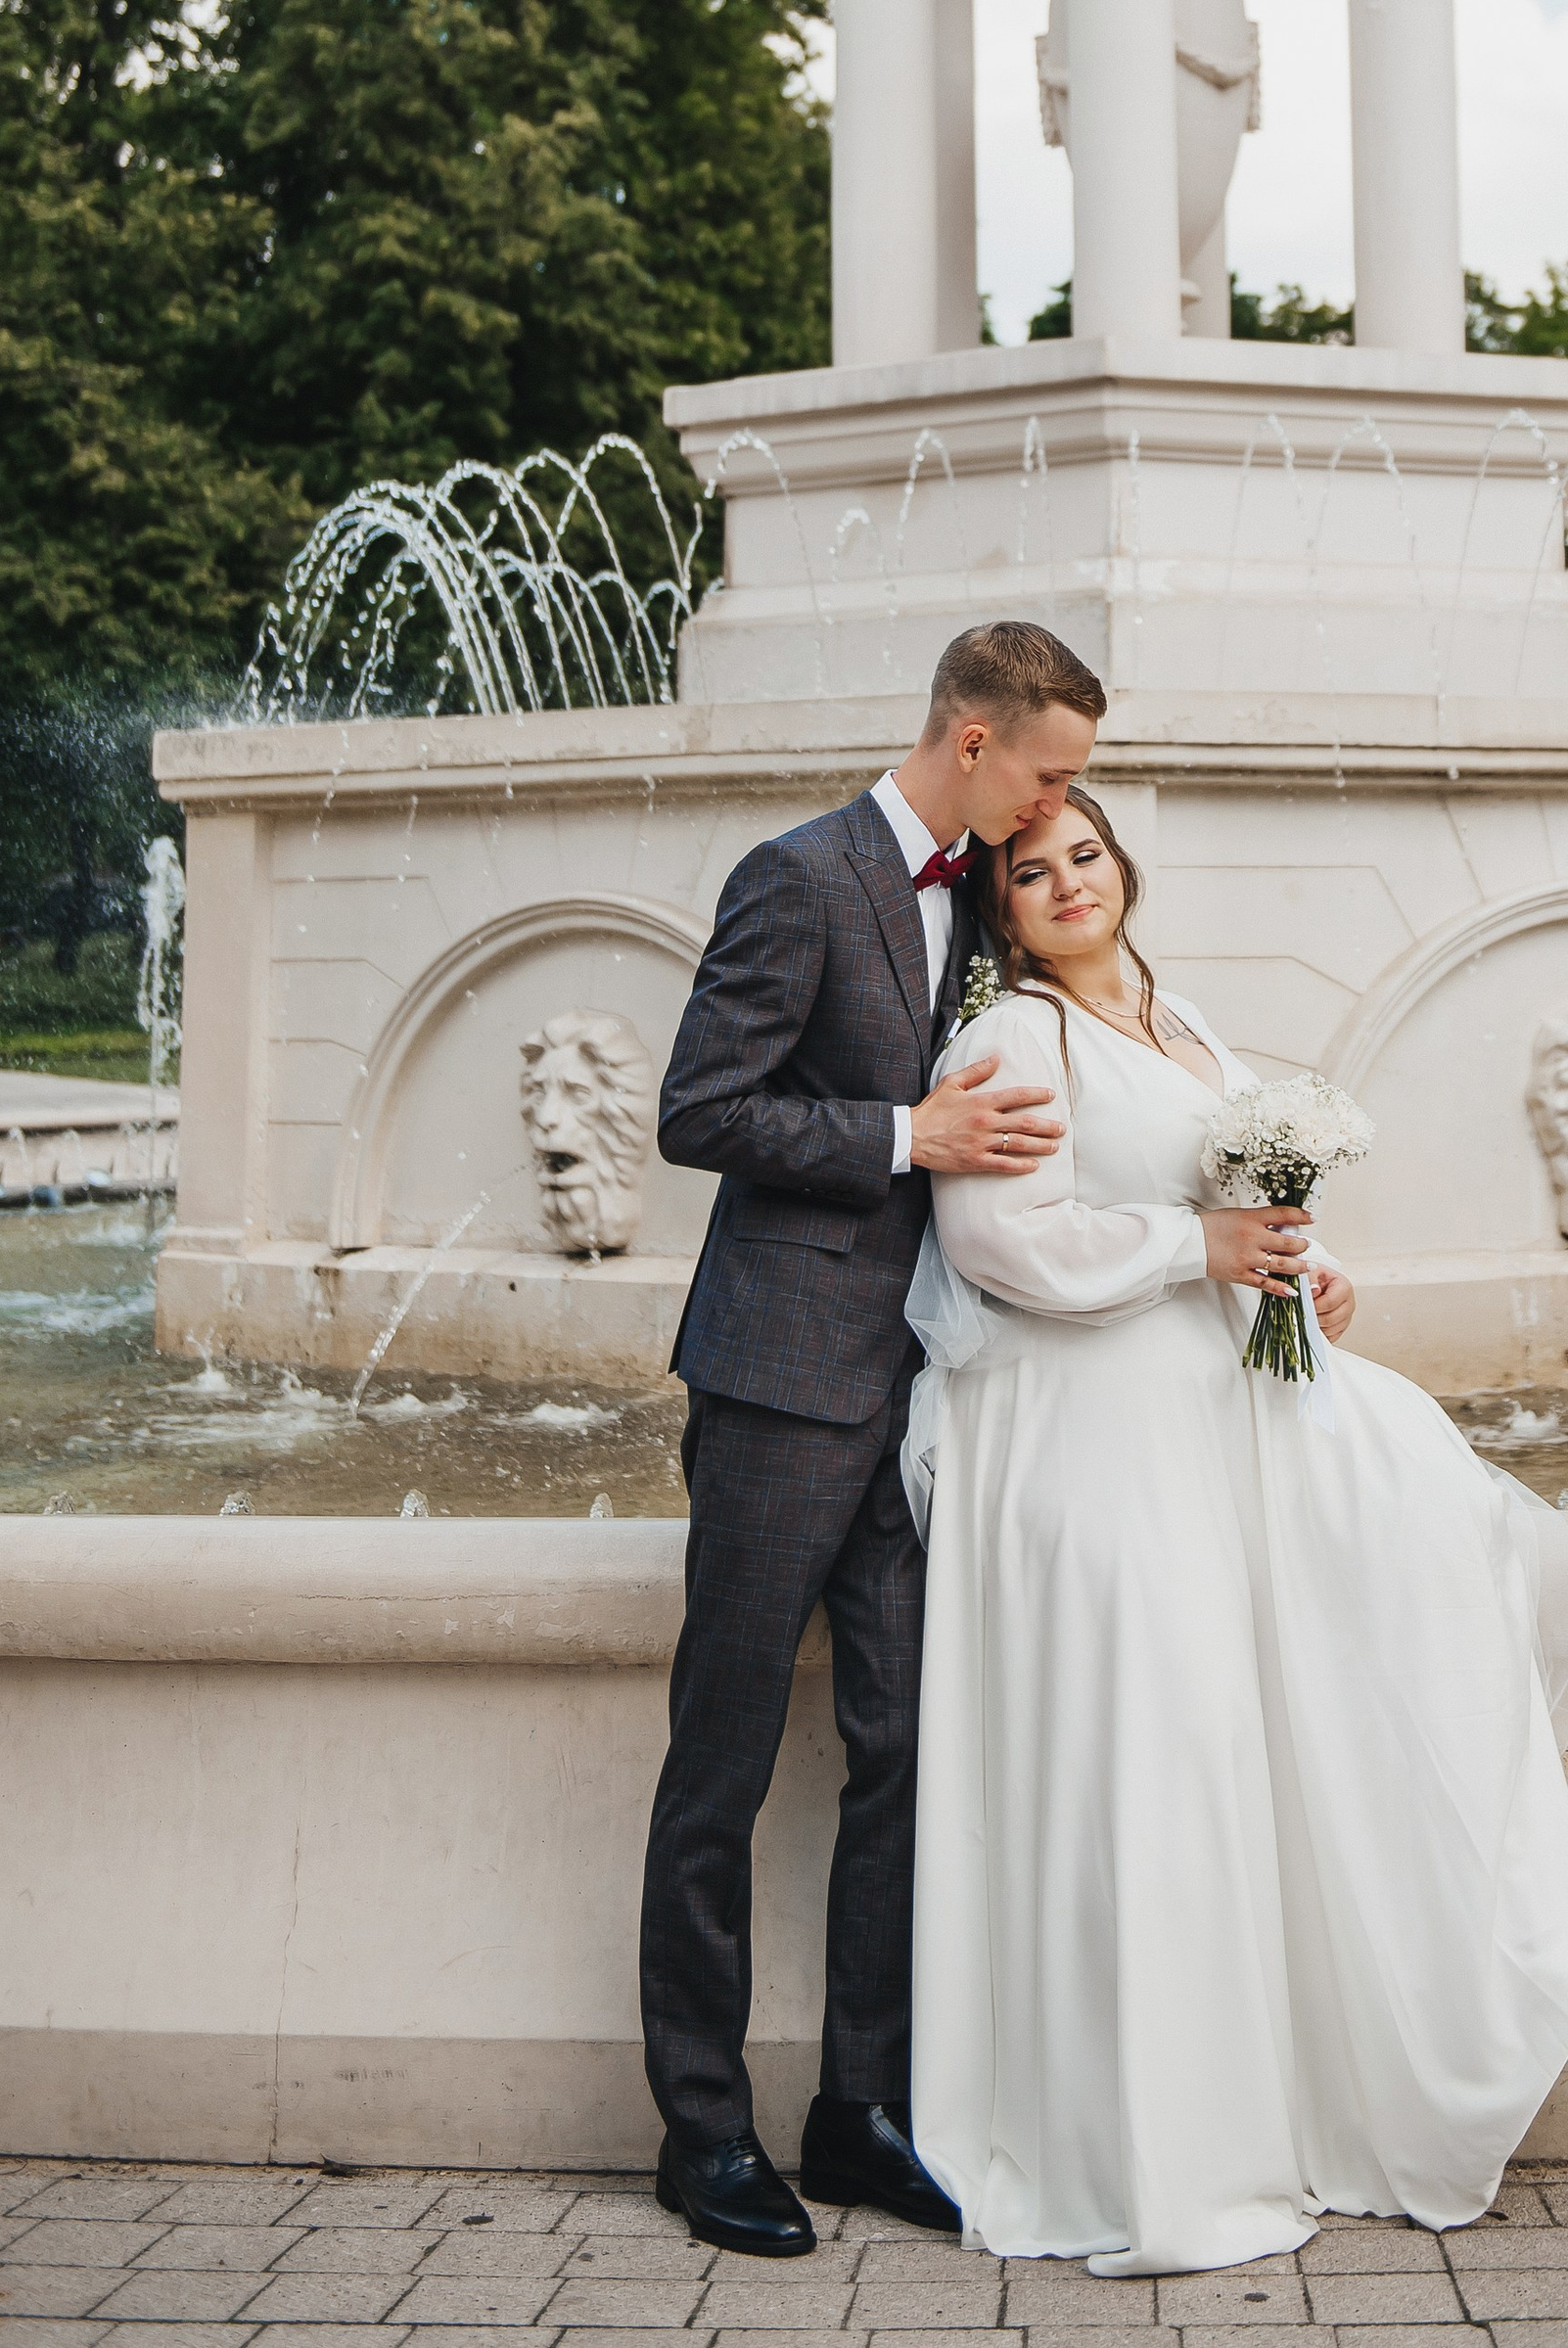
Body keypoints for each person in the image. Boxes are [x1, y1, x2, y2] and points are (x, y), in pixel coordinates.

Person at [904, 787, 1568, 2279]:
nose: (1068, 884)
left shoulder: (1179, 1020)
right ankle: (1144, 2153)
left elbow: (1231, 1189)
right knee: (1149, 1758)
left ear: (1121, 864)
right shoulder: (1016, 1039)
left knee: (1280, 1702)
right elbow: (996, 1240)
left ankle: (1303, 2085)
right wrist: (1202, 1249)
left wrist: (1307, 1268)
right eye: (1031, 873)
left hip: (1203, 1424)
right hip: (1088, 1436)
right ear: (1000, 909)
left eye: (1085, 855)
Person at [640, 619, 1108, 2259]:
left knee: (907, 1756)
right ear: (975, 742)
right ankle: (702, 2130)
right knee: (723, 1762)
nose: (1059, 805)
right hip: (777, 1383)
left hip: (920, 1398)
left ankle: (858, 2111)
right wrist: (906, 1132)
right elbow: (699, 1108)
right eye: (1049, 771)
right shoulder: (797, 877)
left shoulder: (984, 895)